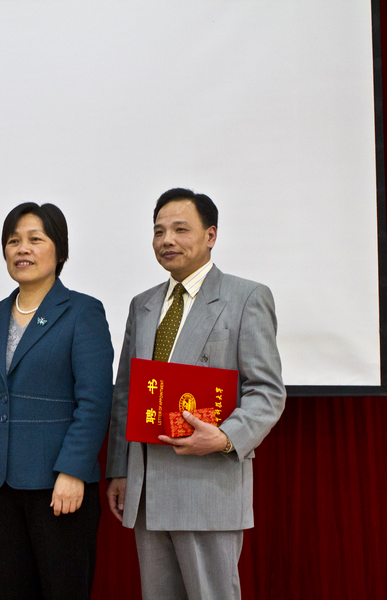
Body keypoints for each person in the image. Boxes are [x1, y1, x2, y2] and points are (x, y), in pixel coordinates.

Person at [106, 188, 286, 600]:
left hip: (208, 485)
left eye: (180, 229)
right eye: (159, 231)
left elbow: (267, 391)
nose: (167, 240)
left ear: (211, 235)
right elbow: (126, 394)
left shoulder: (246, 297)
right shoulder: (142, 305)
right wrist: (120, 469)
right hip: (147, 489)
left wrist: (225, 438)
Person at [0, 202, 114, 600]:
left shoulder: (82, 311)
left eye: (34, 239)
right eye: (13, 241)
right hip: (0, 485)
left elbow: (94, 402)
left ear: (60, 249)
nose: (22, 249)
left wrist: (73, 471)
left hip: (59, 485)